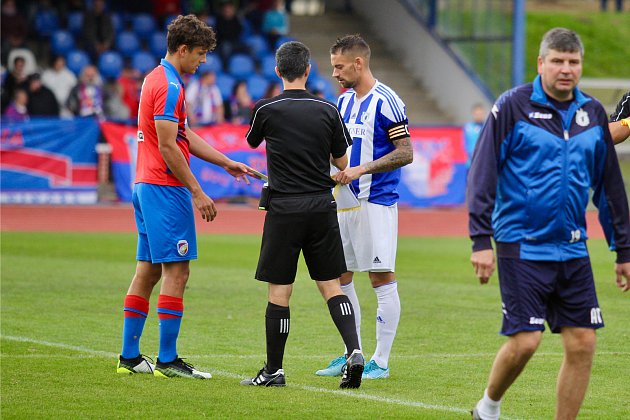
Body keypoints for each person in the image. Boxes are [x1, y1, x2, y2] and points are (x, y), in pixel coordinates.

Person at [467, 28, 630, 420]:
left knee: (583, 344)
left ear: (580, 66)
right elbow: (483, 173)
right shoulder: (512, 107)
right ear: (541, 64)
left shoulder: (591, 113)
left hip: (573, 247)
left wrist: (623, 249)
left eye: (573, 62)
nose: (565, 69)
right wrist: (480, 239)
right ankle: (488, 407)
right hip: (521, 245)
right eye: (557, 61)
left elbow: (609, 187)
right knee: (525, 342)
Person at [116, 14, 254, 380]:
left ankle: (130, 357)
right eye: (200, 53)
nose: (204, 60)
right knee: (178, 270)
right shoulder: (171, 86)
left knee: (147, 270)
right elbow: (167, 144)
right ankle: (168, 360)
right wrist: (197, 191)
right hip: (165, 188)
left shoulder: (157, 79)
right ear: (182, 49)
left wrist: (226, 163)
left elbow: (182, 135)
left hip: (145, 185)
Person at [240, 40, 364, 389]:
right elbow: (342, 162)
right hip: (321, 206)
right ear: (308, 70)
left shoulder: (266, 109)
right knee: (331, 285)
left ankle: (274, 371)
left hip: (284, 208)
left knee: (280, 291)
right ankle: (354, 350)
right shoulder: (327, 109)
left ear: (278, 71)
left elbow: (251, 142)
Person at [315, 34, 413, 381]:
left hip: (375, 203)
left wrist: (362, 169)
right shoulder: (342, 103)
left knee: (380, 277)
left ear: (359, 63)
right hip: (343, 204)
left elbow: (406, 152)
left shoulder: (387, 101)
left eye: (339, 67)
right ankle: (351, 353)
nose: (335, 74)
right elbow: (332, 149)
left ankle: (381, 362)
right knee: (341, 277)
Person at [463, 103, 486, 168]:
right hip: (471, 164)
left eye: (480, 114)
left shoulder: (487, 127)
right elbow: (467, 145)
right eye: (477, 114)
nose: (478, 116)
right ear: (473, 114)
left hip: (484, 164)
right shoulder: (468, 127)